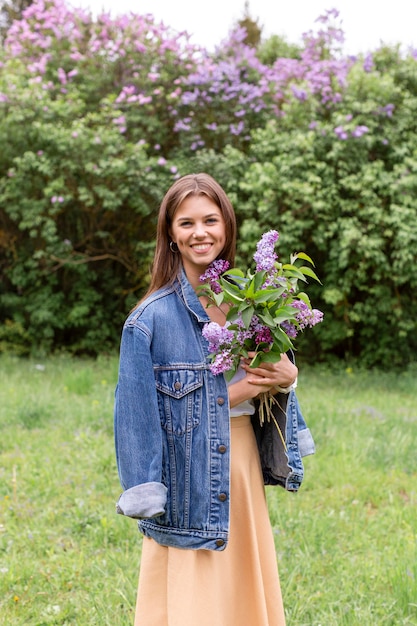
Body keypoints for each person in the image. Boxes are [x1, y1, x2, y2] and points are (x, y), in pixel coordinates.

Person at [114, 173, 308, 626]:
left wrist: (289, 377)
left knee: (240, 591)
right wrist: (237, 391)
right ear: (171, 236)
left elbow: (271, 383)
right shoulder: (148, 321)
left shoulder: (253, 300)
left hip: (239, 465)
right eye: (186, 223)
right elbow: (138, 418)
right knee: (193, 598)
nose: (199, 232)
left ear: (227, 228)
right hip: (187, 474)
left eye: (210, 220)